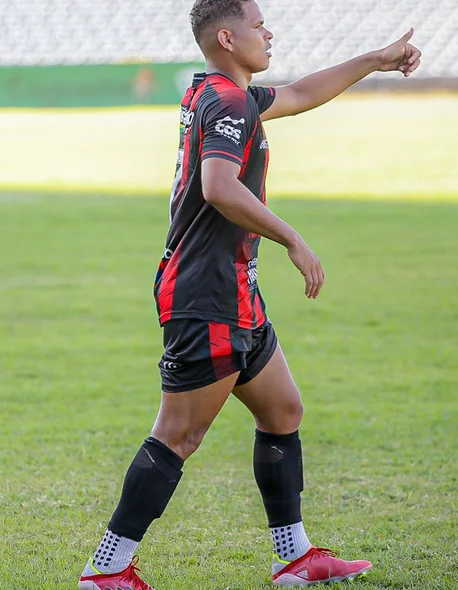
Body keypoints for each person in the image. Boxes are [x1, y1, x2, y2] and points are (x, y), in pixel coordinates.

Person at [78, 1, 421, 588]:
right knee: (179, 434)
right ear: (229, 38)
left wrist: (374, 60)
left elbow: (299, 94)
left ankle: (293, 558)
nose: (270, 33)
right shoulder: (231, 101)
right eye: (260, 25)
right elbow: (218, 186)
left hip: (234, 290)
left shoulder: (219, 93)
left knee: (282, 409)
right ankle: (106, 570)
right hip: (206, 294)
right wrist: (292, 237)